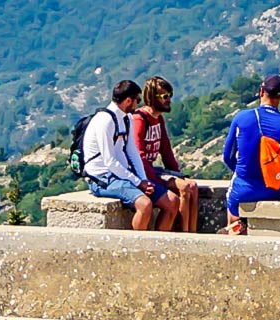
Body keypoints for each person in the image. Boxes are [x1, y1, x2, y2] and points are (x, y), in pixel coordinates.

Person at [83, 79, 180, 231]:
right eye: (137, 100)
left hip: (123, 174)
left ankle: (158, 247)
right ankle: (138, 249)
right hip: (103, 177)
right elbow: (110, 161)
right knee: (145, 205)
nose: (138, 104)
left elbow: (132, 152)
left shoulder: (127, 119)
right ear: (128, 100)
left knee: (172, 201)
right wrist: (137, 182)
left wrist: (143, 180)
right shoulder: (104, 121)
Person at [222, 74, 280, 234]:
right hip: (272, 191)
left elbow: (227, 156)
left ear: (261, 92)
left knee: (232, 208)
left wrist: (242, 171)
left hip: (243, 188)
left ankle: (232, 234)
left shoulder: (242, 117)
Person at [132, 76, 199, 232]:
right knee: (183, 188)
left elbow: (166, 150)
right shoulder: (140, 119)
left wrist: (177, 173)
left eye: (170, 95)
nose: (169, 100)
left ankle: (193, 233)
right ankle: (183, 236)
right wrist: (155, 181)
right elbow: (139, 155)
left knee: (192, 186)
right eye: (165, 96)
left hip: (153, 170)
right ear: (152, 98)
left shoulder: (159, 119)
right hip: (143, 172)